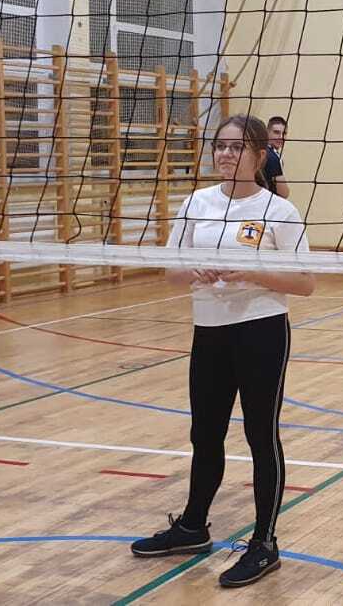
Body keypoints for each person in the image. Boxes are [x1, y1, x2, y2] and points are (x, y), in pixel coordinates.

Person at [130, 114, 315, 589]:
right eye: (221, 146)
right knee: (205, 434)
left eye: (237, 147)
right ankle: (193, 526)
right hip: (208, 330)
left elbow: (305, 283)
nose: (226, 154)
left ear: (260, 156)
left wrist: (252, 272)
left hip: (261, 330)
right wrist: (194, 270)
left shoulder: (279, 211)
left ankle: (265, 543)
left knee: (260, 436)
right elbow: (170, 273)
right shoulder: (197, 203)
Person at [264, 116, 290, 199]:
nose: (281, 137)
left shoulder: (262, 150)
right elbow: (284, 193)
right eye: (276, 132)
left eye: (284, 133)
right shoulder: (272, 157)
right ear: (267, 132)